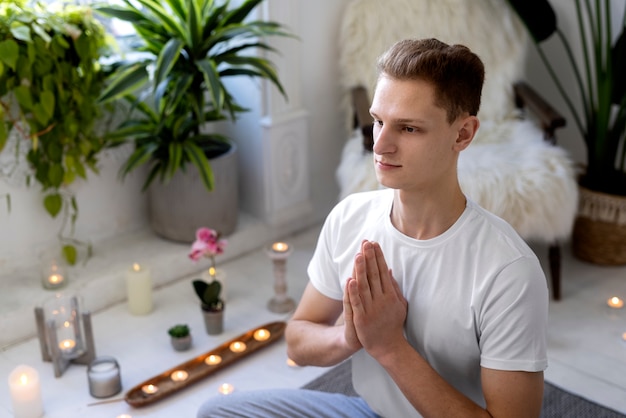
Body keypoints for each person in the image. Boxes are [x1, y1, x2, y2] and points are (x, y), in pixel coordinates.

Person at [197, 38, 548, 418]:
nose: (380, 145)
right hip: (369, 412)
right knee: (216, 412)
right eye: (378, 121)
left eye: (408, 129)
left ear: (462, 134)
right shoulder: (351, 218)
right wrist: (349, 335)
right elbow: (298, 339)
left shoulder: (509, 271)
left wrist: (389, 346)